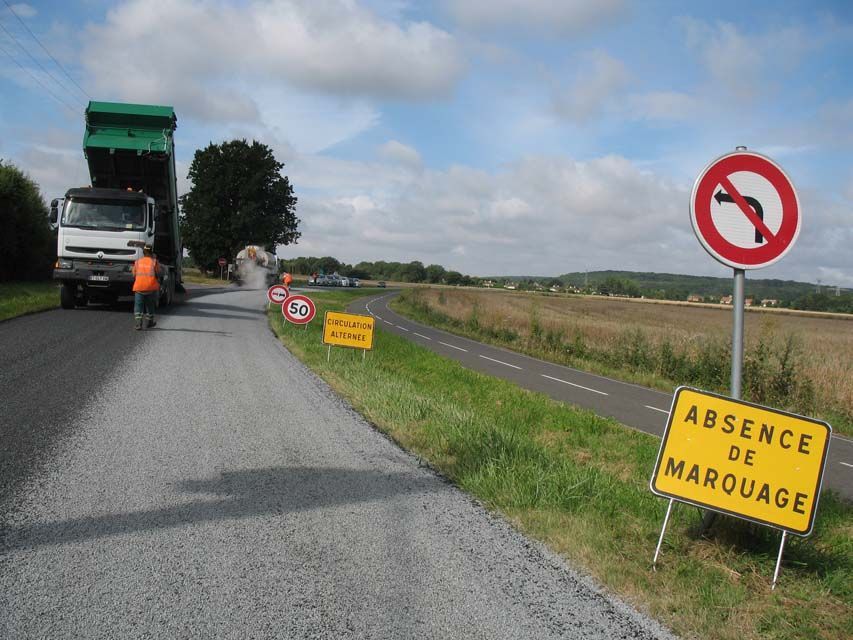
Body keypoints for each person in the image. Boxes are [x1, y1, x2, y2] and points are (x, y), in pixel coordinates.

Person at [132, 244, 161, 330]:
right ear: (151, 252)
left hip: (139, 287)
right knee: (150, 306)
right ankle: (149, 323)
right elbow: (158, 273)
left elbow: (134, 274)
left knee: (138, 306)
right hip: (151, 288)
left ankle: (138, 324)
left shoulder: (137, 262)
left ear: (143, 252)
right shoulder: (154, 262)